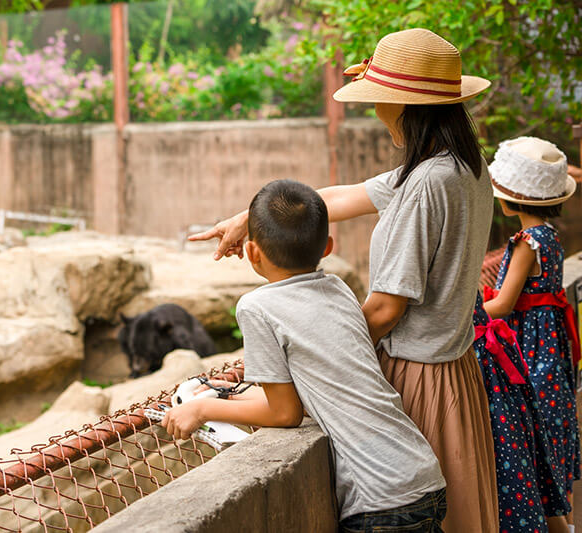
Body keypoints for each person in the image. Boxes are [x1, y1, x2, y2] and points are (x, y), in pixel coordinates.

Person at [189, 28, 498, 531]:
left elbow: (384, 310)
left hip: (419, 378)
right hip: (455, 370)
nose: (375, 111)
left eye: (378, 99)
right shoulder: (461, 165)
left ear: (403, 105)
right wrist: (252, 216)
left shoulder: (425, 185)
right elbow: (340, 197)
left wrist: (320, 357)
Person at [162, 179, 447, 531]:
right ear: (327, 247)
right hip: (421, 473)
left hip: (381, 499)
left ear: (251, 253)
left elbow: (285, 412)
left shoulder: (256, 307)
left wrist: (202, 408)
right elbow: (315, 380)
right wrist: (226, 392)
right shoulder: (339, 288)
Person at [483, 137, 581, 532]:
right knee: (553, 440)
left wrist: (469, 315)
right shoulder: (552, 236)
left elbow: (504, 304)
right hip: (552, 344)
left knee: (535, 438)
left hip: (532, 346)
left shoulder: (526, 243)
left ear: (507, 200)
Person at [473, 292, 571, 533]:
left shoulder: (527, 250)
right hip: (513, 353)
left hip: (530, 347)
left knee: (515, 474)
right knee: (531, 475)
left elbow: (505, 303)